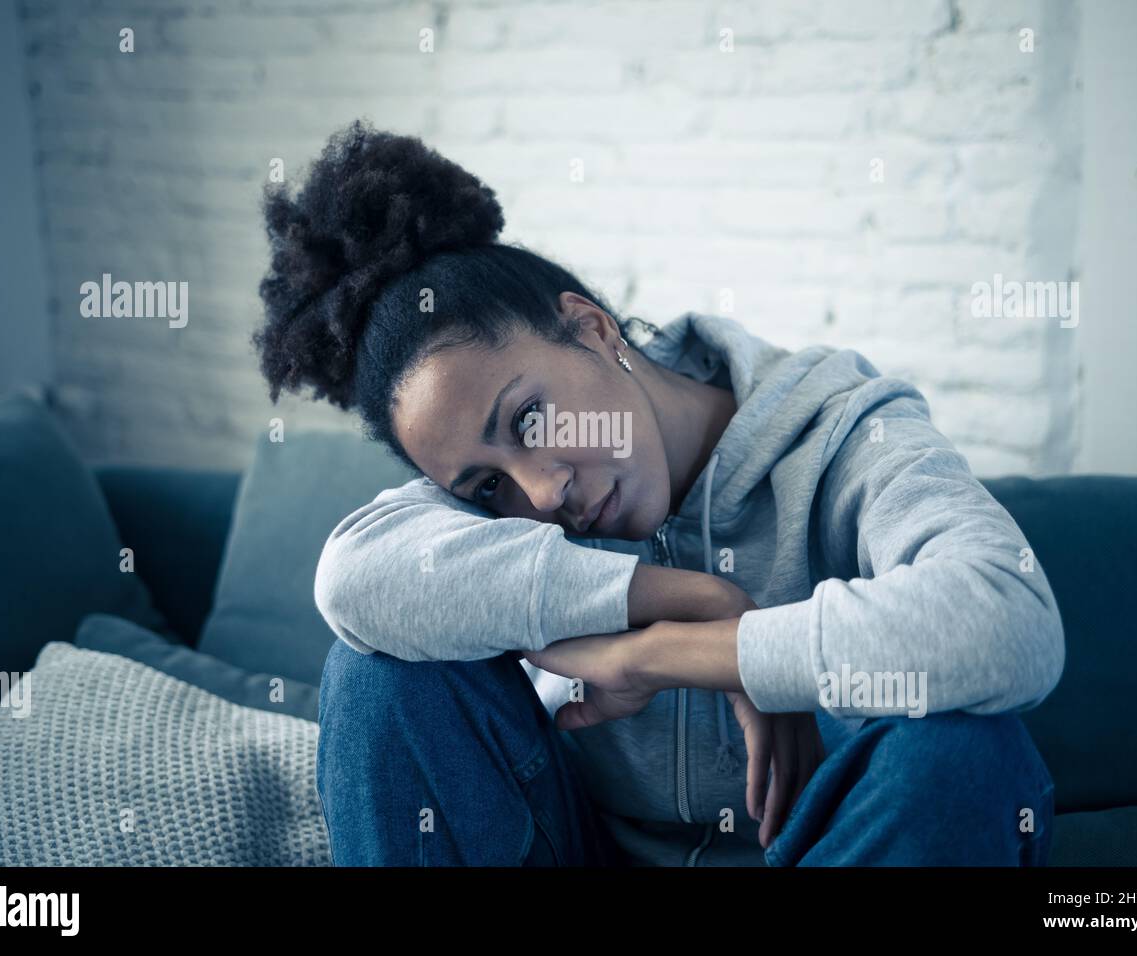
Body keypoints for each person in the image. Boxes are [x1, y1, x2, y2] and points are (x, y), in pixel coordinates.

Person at [253, 118, 1064, 867]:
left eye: (530, 418)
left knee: (964, 758)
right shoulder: (500, 505)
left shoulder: (843, 432)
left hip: (825, 847)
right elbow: (353, 579)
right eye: (487, 482)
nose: (540, 493)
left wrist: (680, 654)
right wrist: (702, 597)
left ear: (593, 328)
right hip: (582, 849)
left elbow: (1008, 617)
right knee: (380, 680)